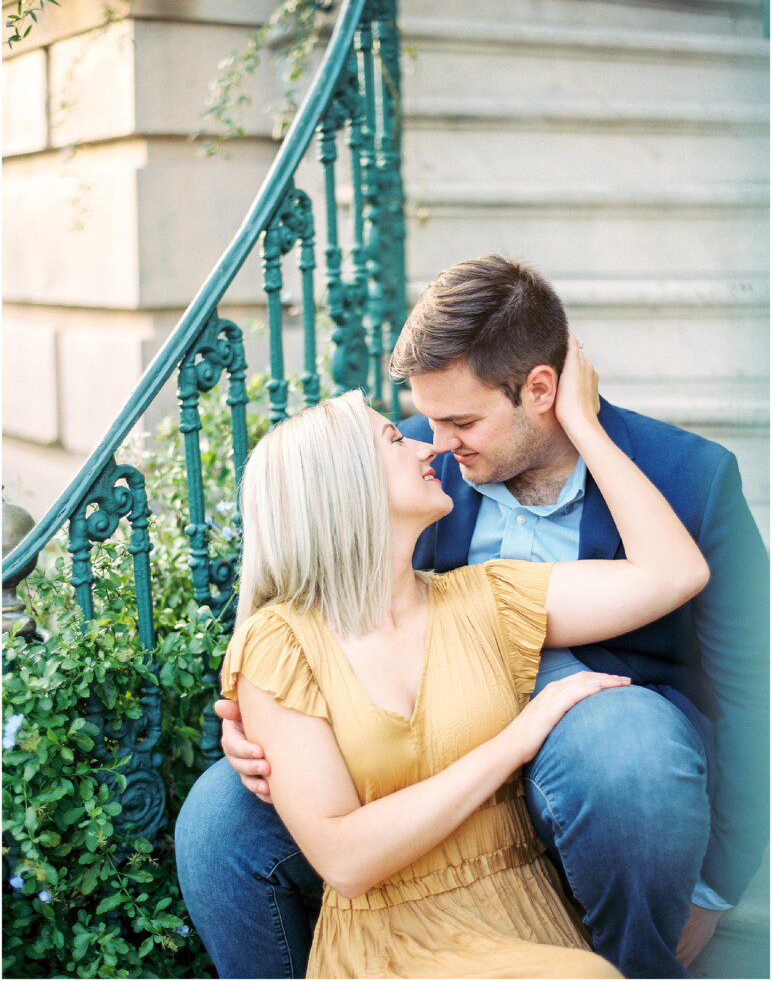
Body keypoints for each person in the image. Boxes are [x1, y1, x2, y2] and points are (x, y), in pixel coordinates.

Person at [175, 256, 769, 979]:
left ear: (541, 391)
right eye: (423, 421)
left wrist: (714, 885)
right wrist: (258, 725)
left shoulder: (687, 478)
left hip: (603, 755)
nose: (435, 443)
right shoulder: (404, 471)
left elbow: (752, 685)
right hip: (423, 748)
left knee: (624, 747)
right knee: (218, 817)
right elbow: (304, 607)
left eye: (460, 421)